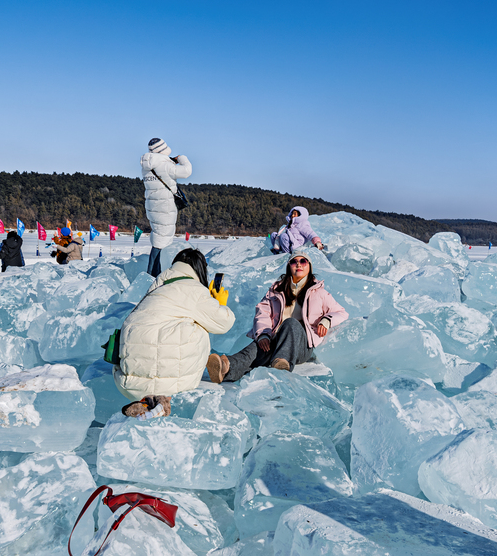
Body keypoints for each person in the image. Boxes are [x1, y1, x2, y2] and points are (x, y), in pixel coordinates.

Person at [114, 248, 234, 409]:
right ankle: (161, 402)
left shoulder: (157, 285)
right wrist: (219, 303)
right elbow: (223, 323)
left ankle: (145, 403)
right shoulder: (194, 289)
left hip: (126, 383)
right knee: (199, 326)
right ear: (200, 269)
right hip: (172, 385)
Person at [207, 249, 347, 383]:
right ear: (289, 267)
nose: (298, 264)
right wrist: (263, 335)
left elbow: (341, 312)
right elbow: (263, 312)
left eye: (303, 261)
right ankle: (226, 367)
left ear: (309, 267)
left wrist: (326, 320)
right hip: (277, 338)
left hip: (302, 345)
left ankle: (281, 362)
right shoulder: (276, 290)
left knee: (291, 323)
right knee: (257, 348)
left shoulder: (319, 292)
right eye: (294, 262)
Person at [141, 137, 192, 278]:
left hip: (152, 206)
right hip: (165, 207)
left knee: (158, 236)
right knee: (163, 240)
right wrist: (182, 158)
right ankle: (153, 275)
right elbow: (187, 171)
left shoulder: (147, 167)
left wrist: (168, 160)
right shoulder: (165, 165)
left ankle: (154, 273)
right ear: (163, 150)